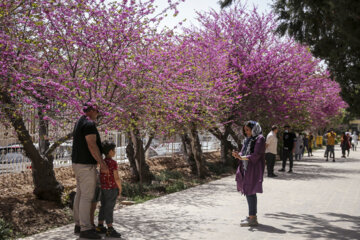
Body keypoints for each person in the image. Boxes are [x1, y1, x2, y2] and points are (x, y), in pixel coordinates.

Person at [72, 101, 109, 239]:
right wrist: (102, 163)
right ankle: (86, 228)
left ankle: (79, 224)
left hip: (78, 164)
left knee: (80, 194)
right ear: (92, 110)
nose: (98, 114)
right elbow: (92, 145)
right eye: (97, 111)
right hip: (86, 165)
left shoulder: (79, 121)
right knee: (87, 196)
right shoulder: (89, 124)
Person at [232, 121, 265, 227]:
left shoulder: (260, 139)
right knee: (248, 191)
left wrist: (242, 157)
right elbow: (244, 152)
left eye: (248, 130)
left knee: (250, 191)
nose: (246, 132)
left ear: (254, 129)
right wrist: (238, 155)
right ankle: (252, 216)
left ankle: (253, 218)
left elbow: (256, 155)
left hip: (253, 168)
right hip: (246, 167)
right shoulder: (248, 139)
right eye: (245, 130)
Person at [96, 140, 122, 238]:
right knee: (109, 208)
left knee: (103, 206)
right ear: (110, 151)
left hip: (103, 189)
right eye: (114, 150)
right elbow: (116, 178)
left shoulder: (102, 162)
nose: (115, 152)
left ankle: (100, 226)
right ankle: (110, 229)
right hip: (112, 189)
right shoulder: (113, 163)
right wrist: (120, 188)